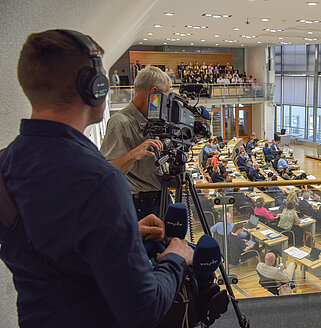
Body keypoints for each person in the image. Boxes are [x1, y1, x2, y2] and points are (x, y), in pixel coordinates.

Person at [0, 30, 194, 327]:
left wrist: (121, 233)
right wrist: (175, 258)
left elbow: (52, 236)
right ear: (94, 87)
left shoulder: (4, 164)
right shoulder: (101, 180)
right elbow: (144, 309)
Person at [100, 66, 171, 219]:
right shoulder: (119, 122)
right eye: (165, 97)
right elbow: (105, 172)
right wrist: (134, 154)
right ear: (154, 93)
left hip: (162, 197)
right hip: (141, 205)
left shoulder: (155, 122)